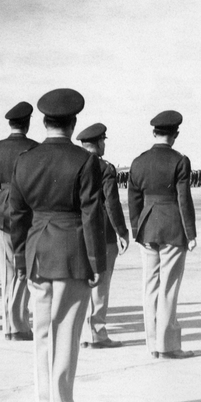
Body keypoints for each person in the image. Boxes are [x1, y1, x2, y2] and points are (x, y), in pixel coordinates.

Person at [10, 88, 106, 402]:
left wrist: (20, 261)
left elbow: (16, 216)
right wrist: (97, 264)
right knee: (66, 334)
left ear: (44, 121)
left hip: (37, 252)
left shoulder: (25, 160)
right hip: (71, 252)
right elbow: (92, 215)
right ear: (73, 121)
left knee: (43, 334)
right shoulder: (85, 161)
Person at [127, 110, 197, 360]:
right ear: (175, 134)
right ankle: (168, 346)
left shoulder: (138, 161)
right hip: (172, 227)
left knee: (150, 286)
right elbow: (183, 199)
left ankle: (153, 345)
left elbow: (133, 200)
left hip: (147, 227)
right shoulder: (180, 160)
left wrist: (136, 229)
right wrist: (191, 232)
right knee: (168, 287)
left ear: (154, 132)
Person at [0, 101, 38, 341]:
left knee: (7, 272)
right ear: (27, 123)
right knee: (23, 269)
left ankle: (9, 324)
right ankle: (18, 324)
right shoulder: (33, 149)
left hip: (1, 214)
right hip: (26, 213)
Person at [76, 123, 130, 349]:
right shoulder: (105, 167)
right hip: (103, 232)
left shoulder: (74, 163)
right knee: (101, 285)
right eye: (103, 140)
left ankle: (80, 335)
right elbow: (111, 202)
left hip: (77, 231)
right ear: (97, 143)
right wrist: (122, 231)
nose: (104, 144)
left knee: (80, 285)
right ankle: (97, 334)